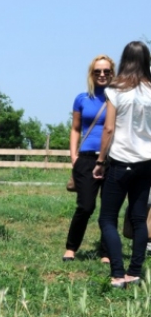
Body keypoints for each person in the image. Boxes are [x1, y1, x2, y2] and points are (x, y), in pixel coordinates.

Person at [93, 41, 151, 288]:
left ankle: (117, 274)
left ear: (125, 60)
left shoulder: (115, 90)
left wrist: (99, 161)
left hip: (119, 161)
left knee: (107, 218)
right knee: (139, 219)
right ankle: (134, 273)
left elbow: (108, 128)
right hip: (146, 162)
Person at [62, 55, 115, 263]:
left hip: (113, 158)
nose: (102, 75)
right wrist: (74, 156)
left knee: (109, 207)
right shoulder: (82, 99)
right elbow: (75, 129)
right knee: (86, 205)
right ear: (91, 74)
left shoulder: (118, 98)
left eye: (106, 71)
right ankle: (71, 247)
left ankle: (106, 252)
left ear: (113, 73)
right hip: (85, 159)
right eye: (97, 71)